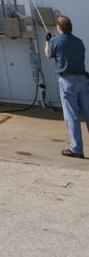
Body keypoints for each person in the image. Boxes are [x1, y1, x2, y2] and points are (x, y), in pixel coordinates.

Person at [45, 14, 89, 158]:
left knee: (72, 116)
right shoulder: (79, 42)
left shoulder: (55, 41)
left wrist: (47, 41)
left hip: (68, 82)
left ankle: (76, 149)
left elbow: (48, 55)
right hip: (83, 80)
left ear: (59, 27)